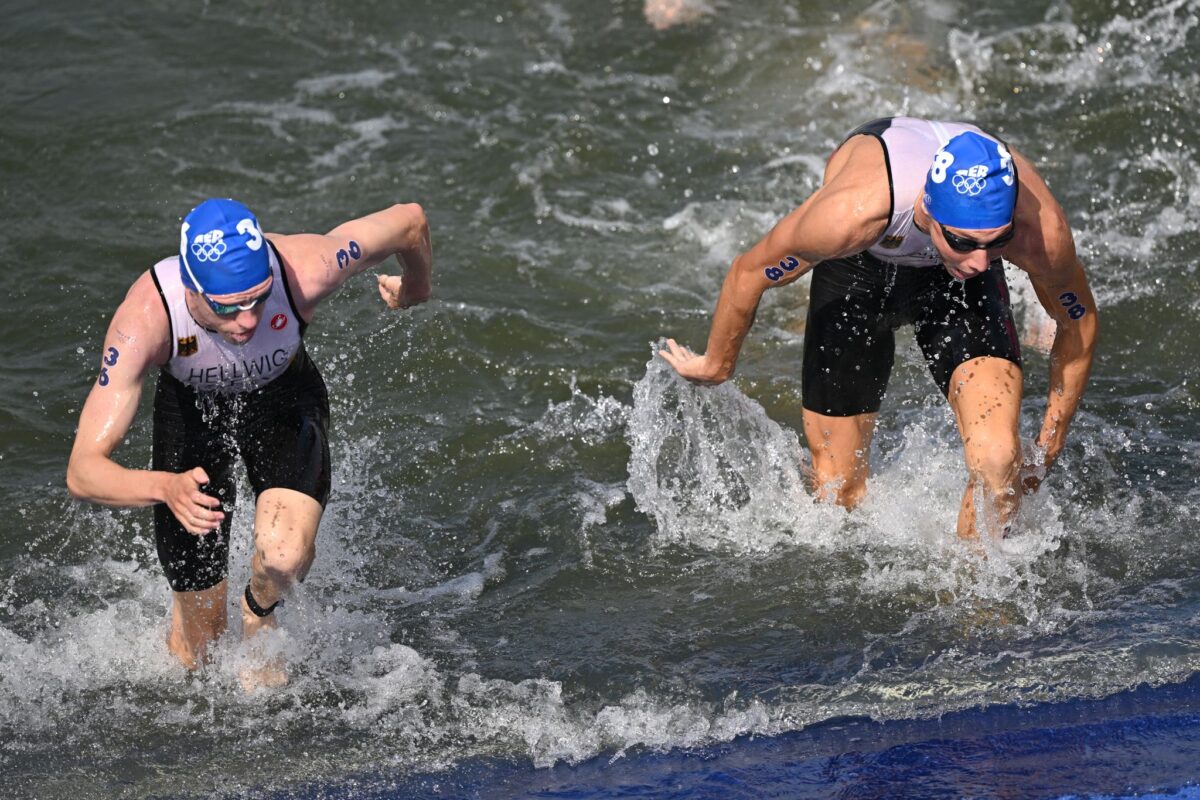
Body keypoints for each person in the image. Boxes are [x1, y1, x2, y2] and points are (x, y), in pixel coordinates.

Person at [660, 117, 1098, 540]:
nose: (981, 260)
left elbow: (1077, 321)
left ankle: (976, 604)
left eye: (996, 242)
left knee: (1000, 461)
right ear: (927, 207)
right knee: (838, 495)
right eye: (963, 240)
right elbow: (749, 272)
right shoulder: (850, 216)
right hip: (860, 269)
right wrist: (717, 365)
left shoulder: (1036, 231)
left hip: (959, 291)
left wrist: (1048, 446)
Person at [66, 198, 432, 687]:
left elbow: (410, 221)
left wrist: (415, 287)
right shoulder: (148, 318)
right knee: (198, 655)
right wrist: (164, 488)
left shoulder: (305, 268)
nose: (247, 321)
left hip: (282, 398)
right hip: (191, 418)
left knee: (282, 556)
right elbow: (83, 470)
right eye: (227, 307)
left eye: (258, 298)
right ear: (191, 288)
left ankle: (259, 608)